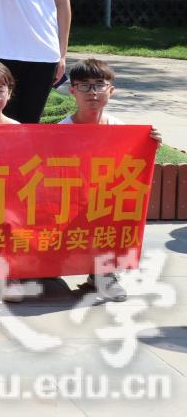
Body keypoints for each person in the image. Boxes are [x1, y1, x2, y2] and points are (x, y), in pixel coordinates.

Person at [57, 58, 163, 302]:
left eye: (99, 85)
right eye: (84, 85)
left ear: (111, 91)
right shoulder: (61, 130)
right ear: (72, 91)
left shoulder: (119, 128)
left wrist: (149, 146)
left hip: (104, 200)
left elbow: (131, 168)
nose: (92, 92)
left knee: (112, 218)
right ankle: (47, 269)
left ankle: (104, 275)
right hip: (69, 199)